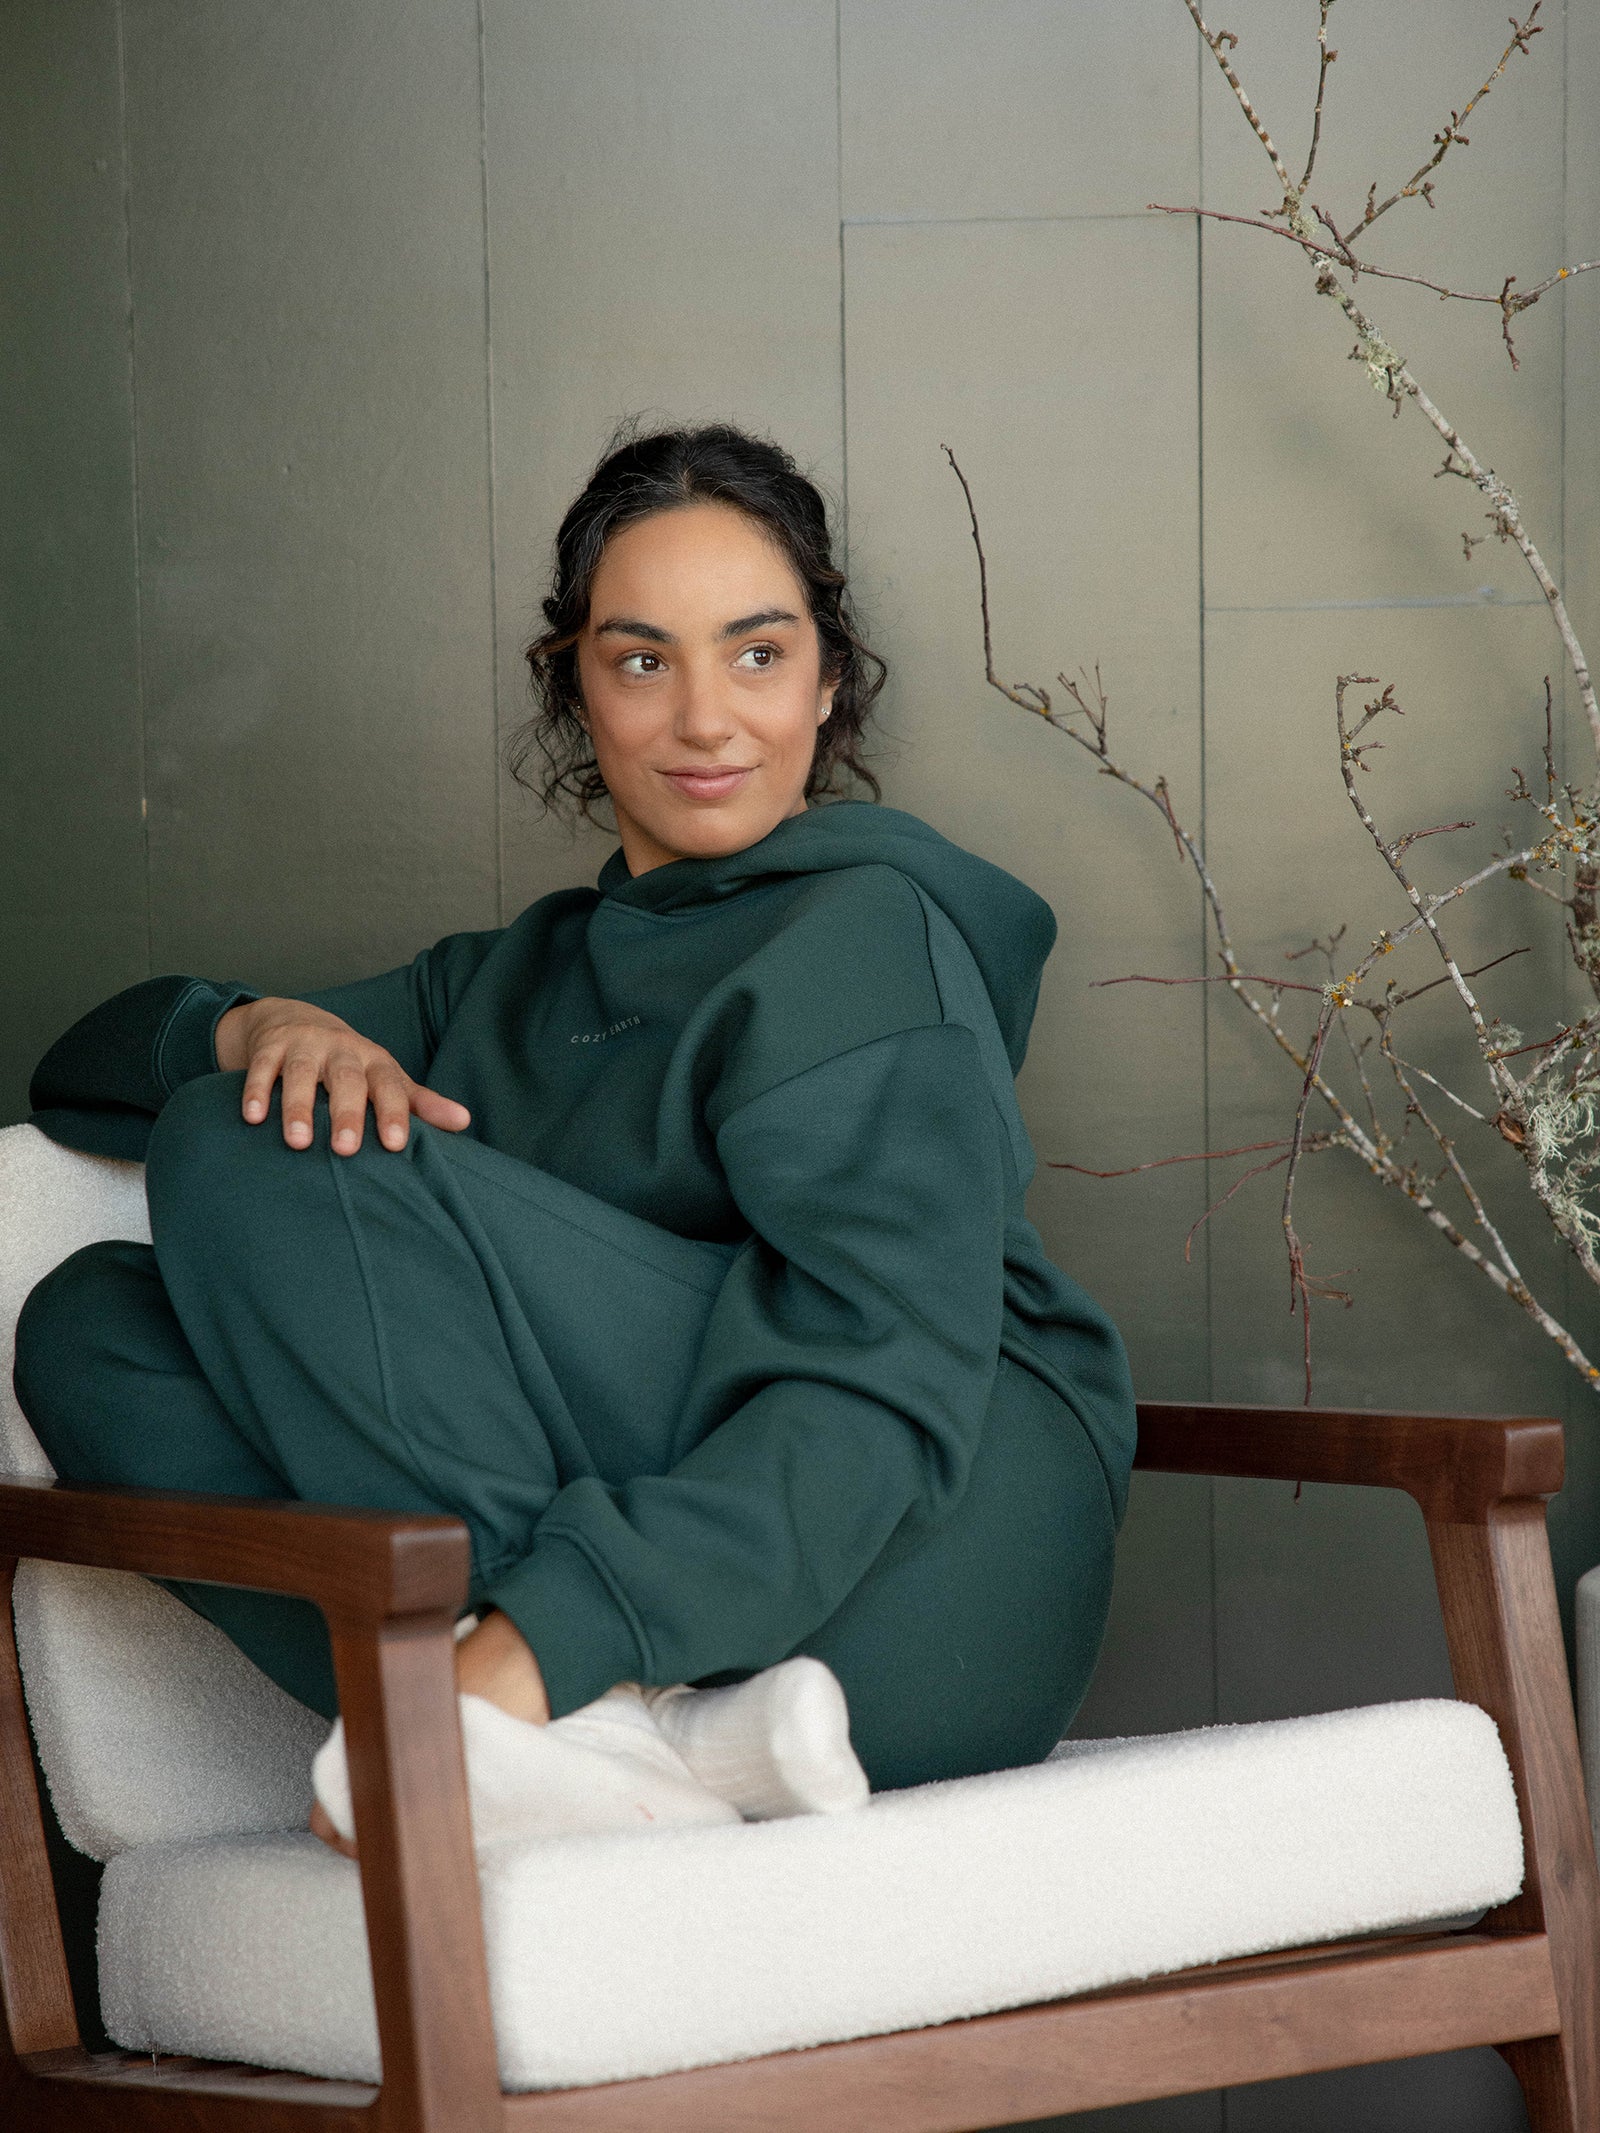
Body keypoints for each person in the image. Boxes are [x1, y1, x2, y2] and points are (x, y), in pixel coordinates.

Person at [14, 424, 1136, 1856]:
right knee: (87, 1325)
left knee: (244, 1155)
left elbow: (879, 1385)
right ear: (576, 689)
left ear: (828, 678)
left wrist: (538, 1636)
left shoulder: (866, 938)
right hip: (744, 1667)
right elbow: (83, 1065)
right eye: (642, 659)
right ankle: (628, 1750)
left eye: (757, 653)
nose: (707, 720)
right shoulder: (511, 979)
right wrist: (255, 1030)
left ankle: (524, 1700)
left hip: (934, 1582)